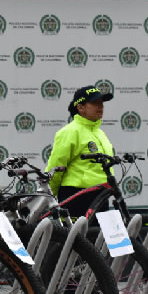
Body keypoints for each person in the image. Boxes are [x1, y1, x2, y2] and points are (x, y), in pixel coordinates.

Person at [46, 85, 114, 217]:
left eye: (101, 103)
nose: (100, 107)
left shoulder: (100, 133)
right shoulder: (70, 132)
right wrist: (49, 196)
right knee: (78, 237)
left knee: (100, 236)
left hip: (101, 193)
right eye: (95, 103)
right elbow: (56, 166)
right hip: (77, 195)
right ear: (80, 107)